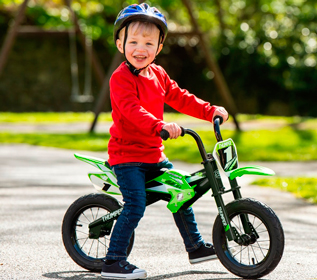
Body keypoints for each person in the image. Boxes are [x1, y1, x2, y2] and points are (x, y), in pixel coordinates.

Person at [101, 3, 229, 279]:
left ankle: (195, 247)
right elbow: (132, 111)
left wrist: (209, 111)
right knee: (135, 204)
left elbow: (180, 97)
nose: (140, 48)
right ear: (119, 43)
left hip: (154, 156)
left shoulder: (157, 74)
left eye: (149, 42)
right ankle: (113, 261)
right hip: (127, 157)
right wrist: (159, 125)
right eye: (133, 41)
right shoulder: (120, 79)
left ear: (159, 47)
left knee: (182, 193)